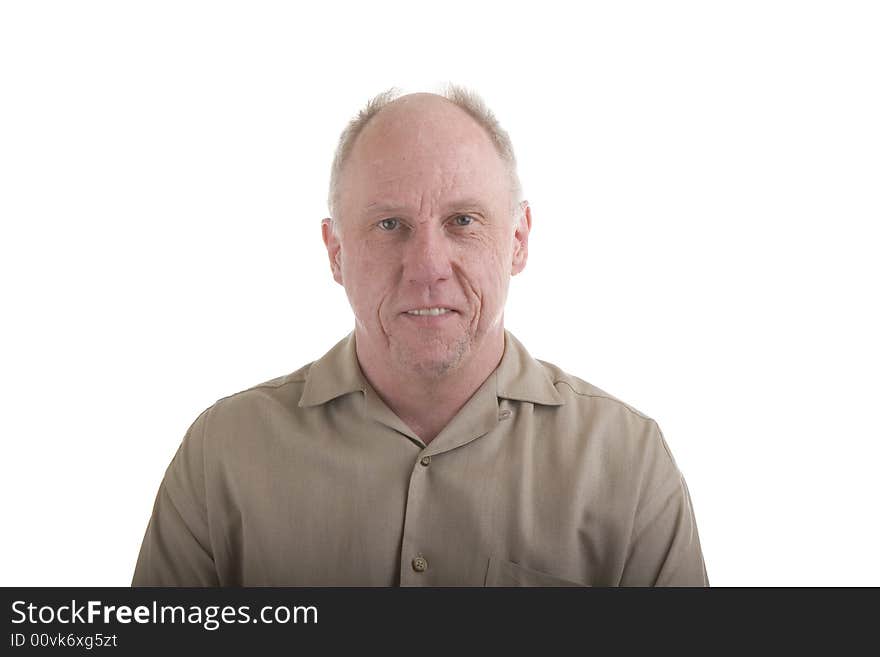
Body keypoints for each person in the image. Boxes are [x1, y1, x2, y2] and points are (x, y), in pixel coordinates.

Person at [132, 86, 709, 586]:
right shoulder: (222, 456)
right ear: (336, 253)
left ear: (518, 240)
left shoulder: (628, 464)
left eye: (463, 221)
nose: (428, 266)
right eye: (390, 225)